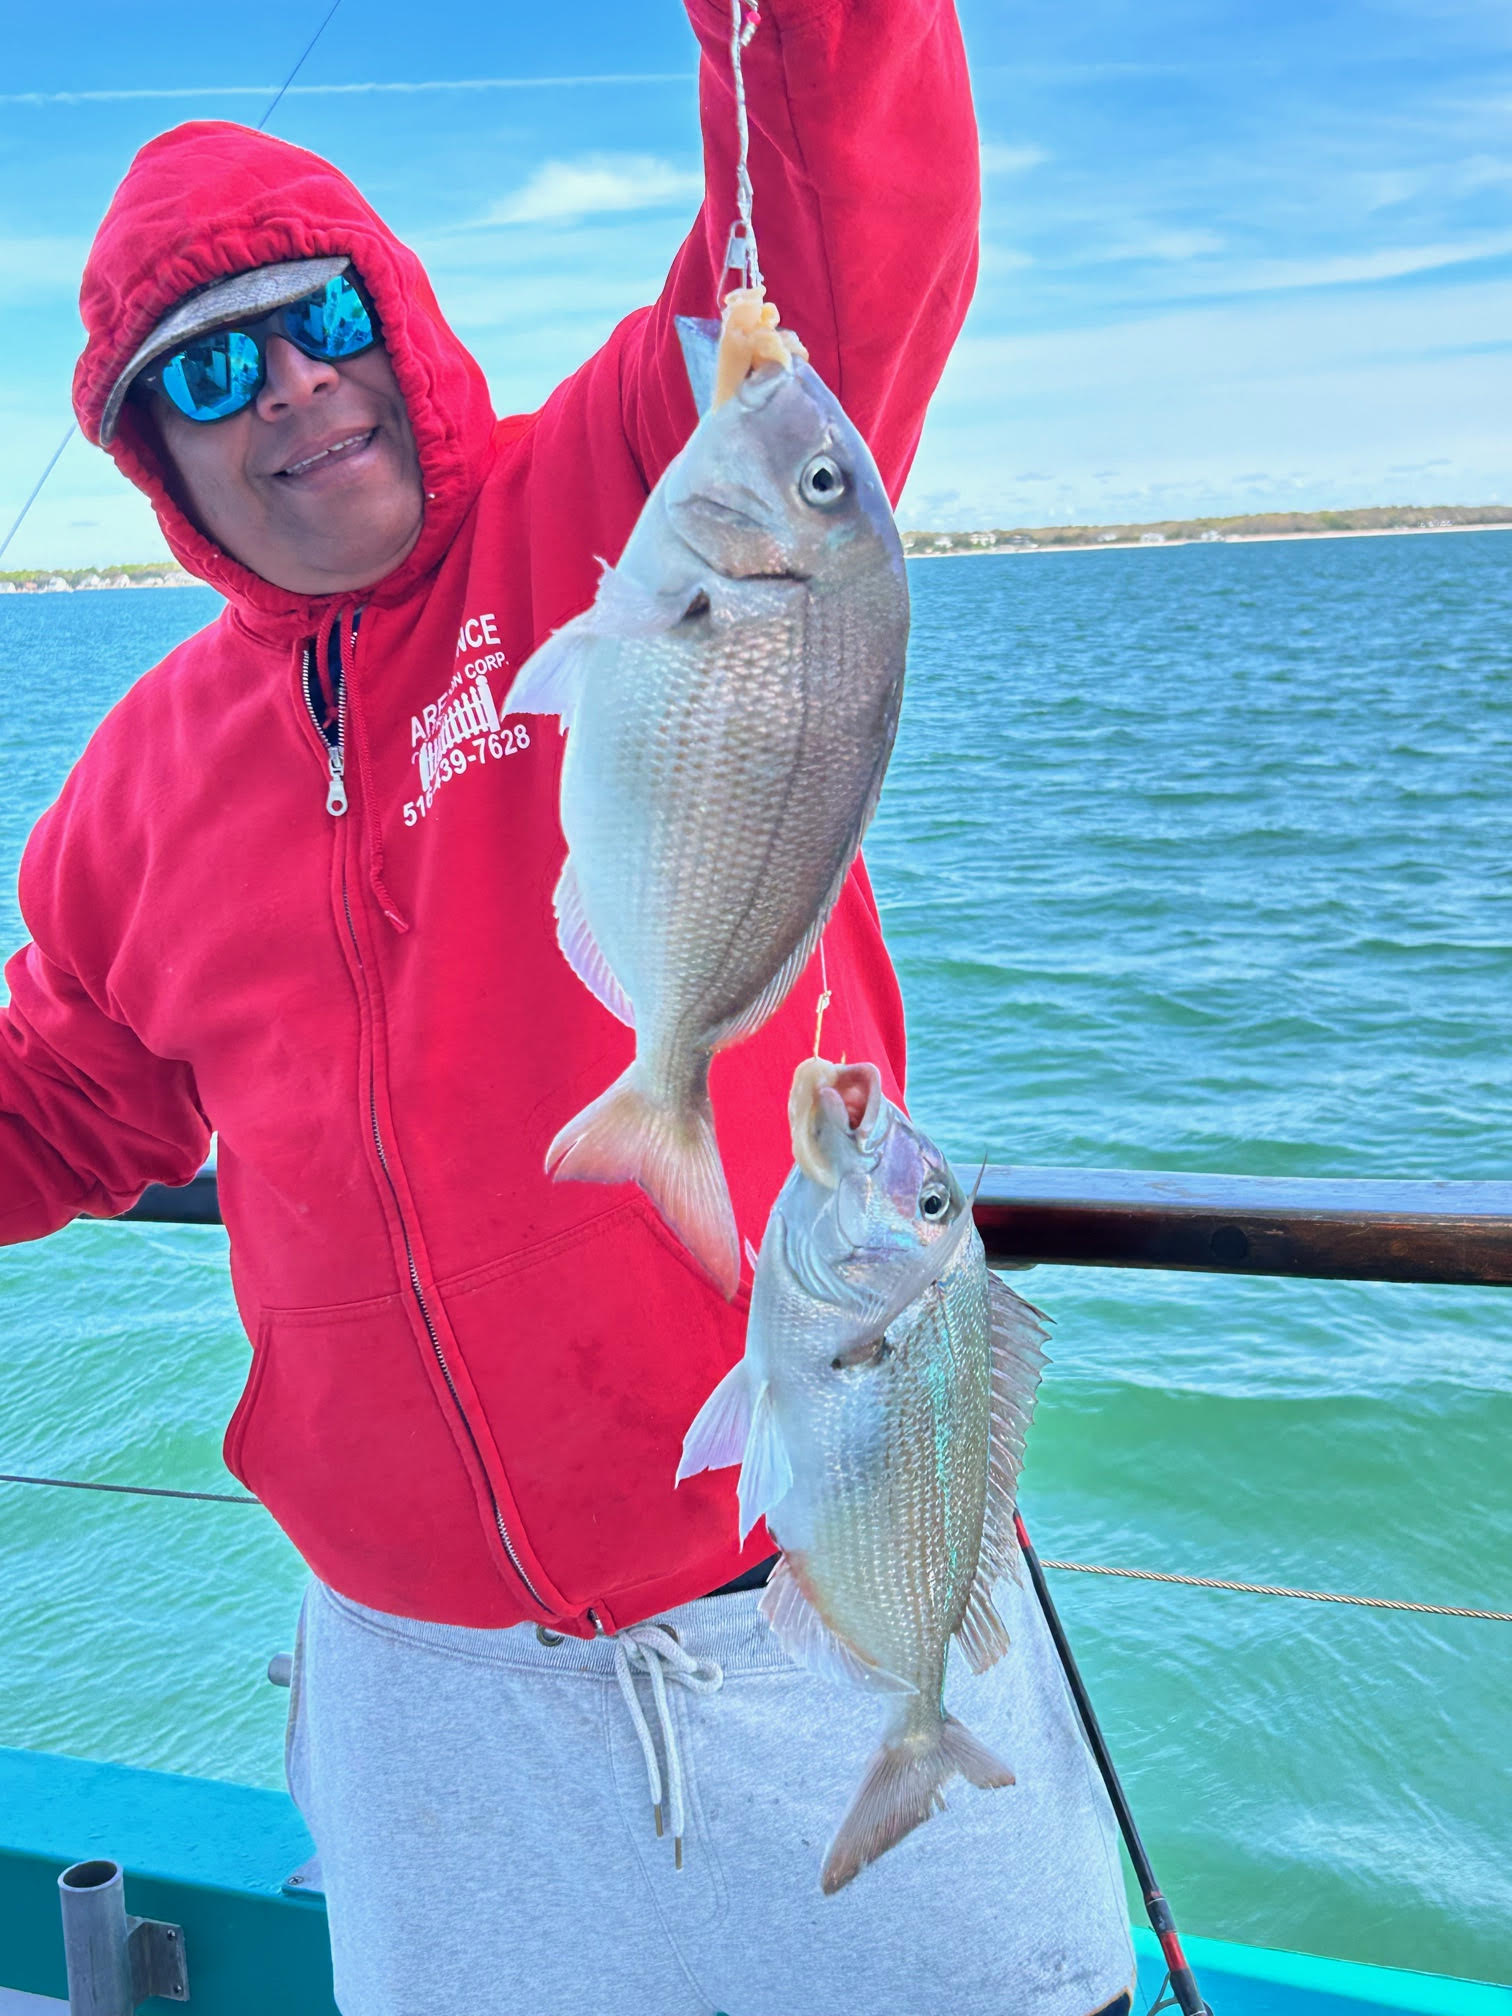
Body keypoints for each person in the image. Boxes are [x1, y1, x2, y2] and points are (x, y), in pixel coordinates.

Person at [5, 3, 1135, 2010]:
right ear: (154, 453)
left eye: (321, 315)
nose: (289, 390)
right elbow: (71, 1105)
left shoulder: (649, 479)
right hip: (423, 1692)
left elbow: (840, 219)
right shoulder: (135, 786)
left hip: (817, 1580)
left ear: (404, 311)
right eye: (207, 372)